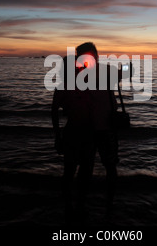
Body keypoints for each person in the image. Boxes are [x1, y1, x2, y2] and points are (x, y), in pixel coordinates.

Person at [75, 42, 119, 212]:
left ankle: (100, 202)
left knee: (99, 166)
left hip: (102, 128)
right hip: (90, 128)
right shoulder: (79, 74)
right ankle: (101, 202)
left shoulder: (103, 71)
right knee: (91, 167)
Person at [51, 55, 96, 222]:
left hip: (88, 135)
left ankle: (79, 204)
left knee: (84, 172)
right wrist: (57, 135)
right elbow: (54, 111)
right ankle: (69, 206)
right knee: (70, 172)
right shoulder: (64, 87)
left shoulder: (87, 84)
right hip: (73, 134)